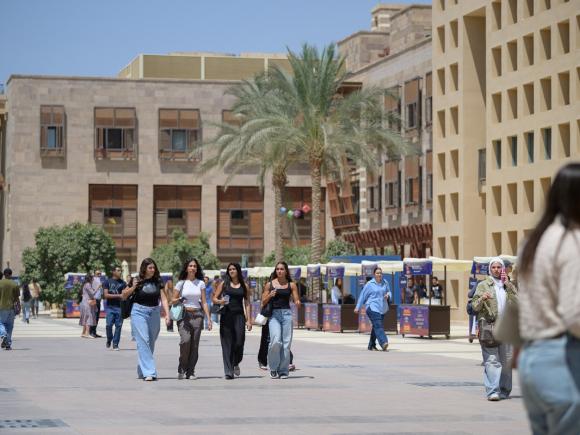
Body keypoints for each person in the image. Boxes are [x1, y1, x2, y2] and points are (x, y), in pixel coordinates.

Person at [516, 163, 580, 434]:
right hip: (563, 360)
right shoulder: (572, 241)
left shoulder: (534, 242)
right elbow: (575, 314)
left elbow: (520, 303)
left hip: (533, 361)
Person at [471, 257, 518, 401]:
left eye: (499, 267)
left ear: (503, 269)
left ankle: (504, 390)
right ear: (490, 269)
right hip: (489, 327)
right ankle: (493, 391)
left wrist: (508, 284)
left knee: (506, 361)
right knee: (491, 360)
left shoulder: (508, 285)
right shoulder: (483, 285)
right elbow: (474, 306)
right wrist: (482, 298)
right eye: (494, 267)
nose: (496, 270)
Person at [121, 258, 169, 381]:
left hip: (154, 312)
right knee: (144, 340)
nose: (152, 270)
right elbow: (124, 295)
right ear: (144, 268)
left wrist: (167, 314)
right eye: (150, 268)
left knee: (151, 342)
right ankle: (150, 372)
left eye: (154, 268)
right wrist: (133, 287)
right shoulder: (136, 279)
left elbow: (163, 299)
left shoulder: (158, 281)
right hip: (138, 312)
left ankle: (142, 368)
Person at [171, 258, 212, 380]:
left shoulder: (201, 283)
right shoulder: (181, 283)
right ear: (186, 268)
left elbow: (204, 302)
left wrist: (209, 319)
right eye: (190, 266)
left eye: (195, 266)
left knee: (194, 345)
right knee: (185, 341)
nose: (193, 268)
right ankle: (182, 366)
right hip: (184, 316)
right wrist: (180, 299)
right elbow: (172, 300)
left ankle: (191, 371)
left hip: (198, 316)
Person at [261, 261, 301, 379]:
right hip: (274, 315)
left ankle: (283, 371)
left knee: (286, 344)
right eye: (277, 269)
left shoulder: (291, 285)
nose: (279, 271)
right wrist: (270, 295)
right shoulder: (270, 285)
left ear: (286, 271)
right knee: (275, 340)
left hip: (287, 315)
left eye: (282, 269)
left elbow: (296, 300)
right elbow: (263, 302)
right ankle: (273, 368)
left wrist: (298, 303)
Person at [213, 263, 252, 380]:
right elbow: (214, 298)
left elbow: (247, 303)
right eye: (229, 269)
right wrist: (220, 302)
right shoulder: (224, 284)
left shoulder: (244, 285)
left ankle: (235, 362)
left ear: (238, 271)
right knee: (227, 344)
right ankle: (228, 371)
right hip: (226, 316)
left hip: (239, 316)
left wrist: (249, 320)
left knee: (239, 342)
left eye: (234, 269)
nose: (231, 271)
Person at [355, 267, 392, 351]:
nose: (379, 275)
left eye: (380, 273)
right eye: (377, 273)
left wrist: (388, 295)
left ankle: (371, 345)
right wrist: (358, 307)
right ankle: (383, 342)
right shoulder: (369, 284)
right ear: (374, 274)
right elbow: (362, 296)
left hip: (382, 308)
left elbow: (389, 291)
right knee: (378, 325)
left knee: (376, 326)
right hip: (372, 307)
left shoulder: (385, 282)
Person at [103, 265, 126, 350]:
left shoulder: (123, 283)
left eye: (121, 271)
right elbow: (106, 295)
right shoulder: (107, 282)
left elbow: (124, 295)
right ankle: (109, 338)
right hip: (110, 307)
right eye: (118, 270)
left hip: (120, 307)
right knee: (109, 325)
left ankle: (115, 344)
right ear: (113, 272)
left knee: (118, 326)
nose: (120, 272)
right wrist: (119, 295)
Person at [0, 268, 20, 350]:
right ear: (11, 274)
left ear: (4, 274)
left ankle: (3, 335)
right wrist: (19, 307)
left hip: (1, 307)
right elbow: (17, 298)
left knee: (1, 323)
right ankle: (8, 344)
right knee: (10, 326)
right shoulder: (15, 284)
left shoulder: (0, 283)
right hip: (11, 308)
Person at [79, 273, 98, 338]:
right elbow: (92, 293)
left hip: (84, 302)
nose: (93, 279)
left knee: (86, 317)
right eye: (92, 278)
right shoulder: (88, 284)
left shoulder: (85, 284)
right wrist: (98, 287)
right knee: (89, 317)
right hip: (87, 303)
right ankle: (87, 333)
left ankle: (83, 333)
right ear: (90, 278)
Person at [89, 270, 103, 338]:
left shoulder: (99, 280)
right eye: (98, 273)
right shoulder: (93, 280)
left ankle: (94, 332)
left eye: (100, 273)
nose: (99, 274)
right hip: (94, 299)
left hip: (98, 300)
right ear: (94, 274)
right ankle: (91, 332)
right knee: (94, 316)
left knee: (97, 317)